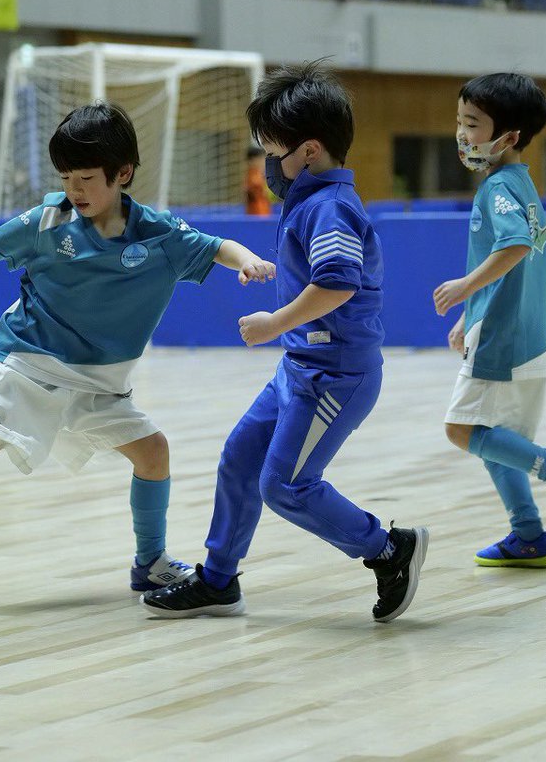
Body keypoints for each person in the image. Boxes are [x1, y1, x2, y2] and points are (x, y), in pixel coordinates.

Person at [0, 102, 276, 599]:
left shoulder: (158, 234)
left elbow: (217, 246)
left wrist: (249, 260)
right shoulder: (47, 221)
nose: (75, 189)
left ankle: (149, 562)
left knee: (153, 453)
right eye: (67, 176)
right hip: (26, 361)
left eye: (87, 177)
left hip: (100, 383)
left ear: (123, 173)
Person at [140, 62, 429, 623]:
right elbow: (322, 275)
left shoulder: (329, 206)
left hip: (335, 376)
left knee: (287, 485)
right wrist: (284, 280)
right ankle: (219, 580)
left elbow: (339, 284)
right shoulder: (312, 202)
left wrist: (274, 321)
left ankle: (390, 549)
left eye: (273, 150)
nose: (267, 163)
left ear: (310, 151)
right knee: (240, 459)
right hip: (302, 368)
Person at [434, 73, 546, 569]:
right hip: (521, 331)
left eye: (473, 124)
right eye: (460, 121)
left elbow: (515, 246)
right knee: (496, 438)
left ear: (509, 138)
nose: (463, 135)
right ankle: (528, 534)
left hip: (507, 335)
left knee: (461, 430)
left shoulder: (499, 188)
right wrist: (470, 315)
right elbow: (509, 259)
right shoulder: (518, 184)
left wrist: (464, 288)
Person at [245, 146, 272, 215]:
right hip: (257, 214)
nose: (263, 161)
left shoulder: (260, 175)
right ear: (252, 160)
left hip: (264, 212)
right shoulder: (253, 176)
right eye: (260, 159)